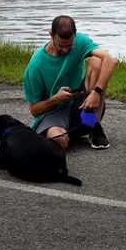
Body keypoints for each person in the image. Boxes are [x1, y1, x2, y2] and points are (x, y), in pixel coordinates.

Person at [23, 15, 118, 151]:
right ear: (51, 35)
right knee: (60, 140)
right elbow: (34, 110)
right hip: (52, 114)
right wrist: (56, 99)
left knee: (98, 60)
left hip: (83, 107)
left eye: (69, 46)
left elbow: (110, 60)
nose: (66, 50)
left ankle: (95, 126)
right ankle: (66, 133)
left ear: (74, 34)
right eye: (61, 46)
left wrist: (96, 92)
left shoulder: (79, 40)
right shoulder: (36, 65)